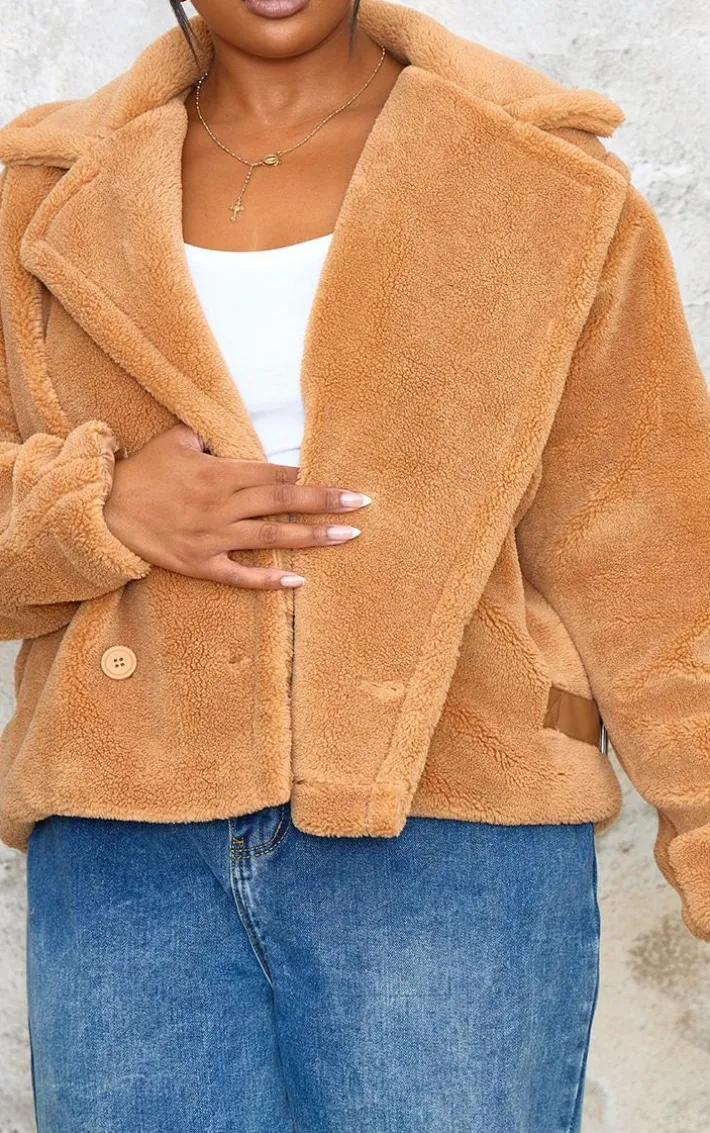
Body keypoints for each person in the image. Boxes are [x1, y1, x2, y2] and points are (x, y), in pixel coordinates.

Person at [0, 0, 707, 1128]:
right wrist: (96, 507)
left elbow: (642, 539)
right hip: (125, 834)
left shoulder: (543, 177)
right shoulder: (42, 192)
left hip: (452, 819)